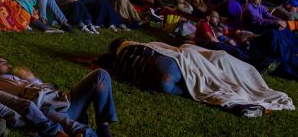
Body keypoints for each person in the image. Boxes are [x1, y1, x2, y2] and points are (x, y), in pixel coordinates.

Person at [107, 39, 294, 115]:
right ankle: (242, 101)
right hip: (169, 66)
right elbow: (168, 49)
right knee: (207, 75)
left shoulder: (119, 63)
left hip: (161, 85)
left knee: (201, 92)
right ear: (123, 42)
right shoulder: (135, 44)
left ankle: (237, 104)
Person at [0, 54, 117, 137]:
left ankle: (103, 128)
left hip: (62, 100)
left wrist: (31, 78)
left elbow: (42, 87)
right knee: (81, 130)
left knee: (101, 75)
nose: (9, 65)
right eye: (4, 64)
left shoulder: (18, 77)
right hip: (44, 109)